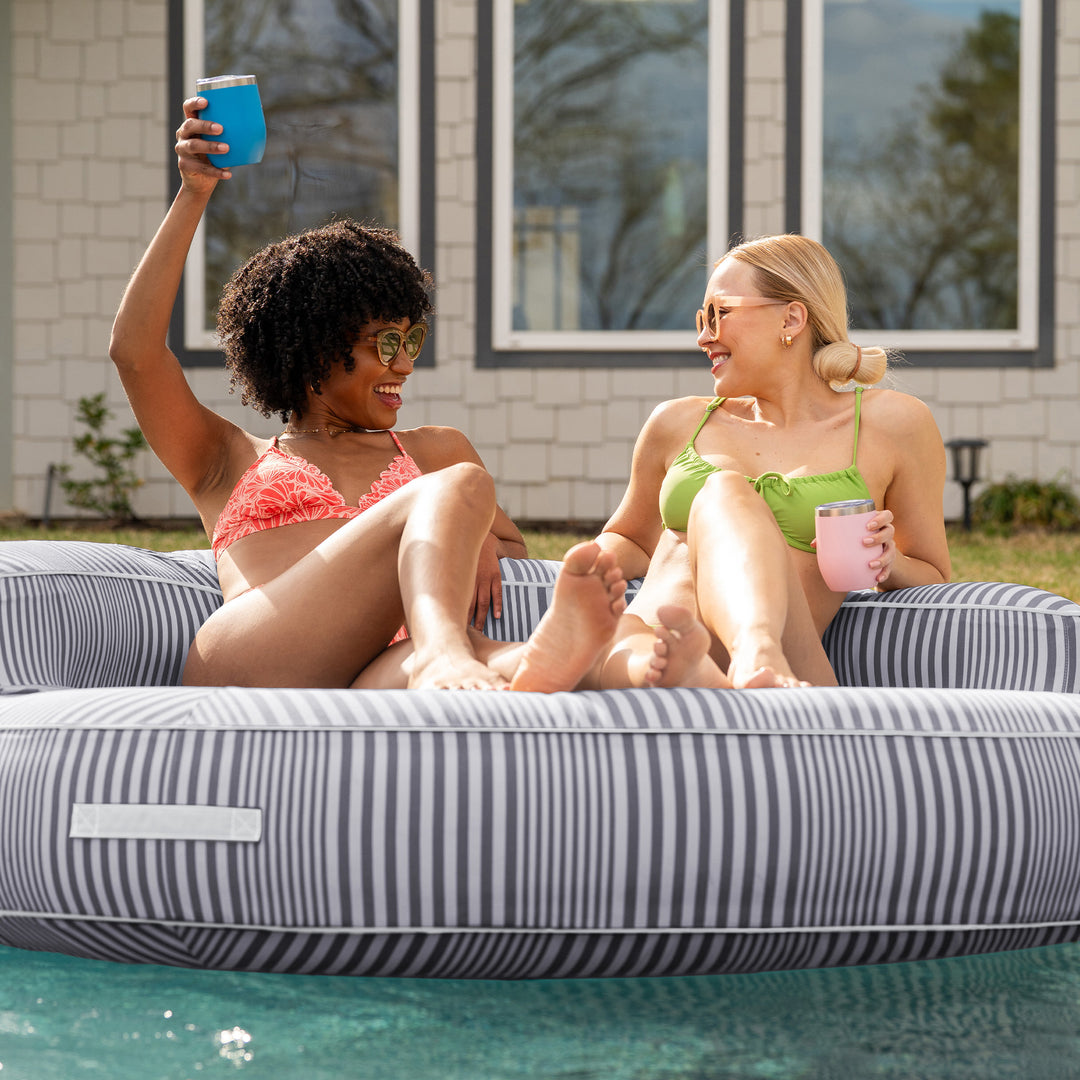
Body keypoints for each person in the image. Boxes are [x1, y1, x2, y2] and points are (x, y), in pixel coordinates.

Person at [108, 96, 627, 692]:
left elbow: (507, 550)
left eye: (413, 339)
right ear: (314, 349)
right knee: (462, 488)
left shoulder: (432, 449)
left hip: (375, 667)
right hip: (254, 660)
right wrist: (194, 193)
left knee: (501, 654)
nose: (404, 364)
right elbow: (136, 353)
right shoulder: (226, 458)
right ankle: (443, 650)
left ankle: (643, 666)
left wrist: (480, 533)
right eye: (385, 344)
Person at [363, 233, 951, 693]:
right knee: (623, 633)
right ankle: (672, 673)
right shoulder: (679, 422)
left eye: (718, 315)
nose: (703, 337)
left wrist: (886, 559)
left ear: (791, 320)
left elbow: (935, 575)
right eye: (701, 320)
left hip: (788, 654)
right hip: (654, 640)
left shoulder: (889, 424)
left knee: (721, 493)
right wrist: (583, 569)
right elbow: (631, 539)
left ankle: (754, 655)